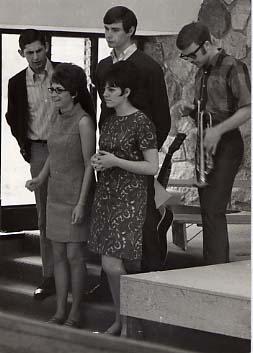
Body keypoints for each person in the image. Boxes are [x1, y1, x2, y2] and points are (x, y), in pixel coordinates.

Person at [6, 29, 95, 300]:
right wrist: (26, 148)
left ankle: (78, 274)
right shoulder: (16, 82)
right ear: (21, 53)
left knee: (76, 212)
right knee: (44, 216)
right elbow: (13, 116)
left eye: (39, 51)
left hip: (73, 145)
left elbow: (87, 109)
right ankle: (50, 276)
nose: (35, 57)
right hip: (40, 150)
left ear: (46, 48)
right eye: (28, 52)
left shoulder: (64, 76)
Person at [95, 5, 171, 274]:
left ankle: (149, 283)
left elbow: (162, 119)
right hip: (109, 156)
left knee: (145, 222)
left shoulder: (149, 67)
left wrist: (141, 152)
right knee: (109, 221)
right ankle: (111, 285)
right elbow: (105, 113)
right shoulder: (104, 65)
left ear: (131, 31)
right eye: (105, 29)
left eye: (115, 30)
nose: (109, 35)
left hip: (138, 157)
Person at [89, 61, 159, 335]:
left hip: (129, 198)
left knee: (112, 263)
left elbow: (151, 167)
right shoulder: (108, 120)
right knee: (118, 264)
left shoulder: (142, 121)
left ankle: (127, 321)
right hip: (106, 195)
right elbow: (107, 155)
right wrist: (100, 160)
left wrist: (116, 161)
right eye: (103, 88)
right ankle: (125, 321)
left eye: (111, 89)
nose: (105, 93)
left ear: (127, 91)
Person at [26, 63, 96, 327]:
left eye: (58, 90)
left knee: (74, 256)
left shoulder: (84, 122)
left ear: (74, 93)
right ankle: (59, 310)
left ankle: (76, 311)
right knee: (57, 256)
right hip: (55, 194)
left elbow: (90, 164)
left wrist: (81, 203)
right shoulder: (56, 115)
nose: (53, 94)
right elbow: (53, 154)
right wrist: (40, 178)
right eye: (51, 89)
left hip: (76, 195)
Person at [176, 22, 251, 265]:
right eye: (185, 57)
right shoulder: (202, 72)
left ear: (207, 45)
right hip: (207, 144)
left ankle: (216, 269)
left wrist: (218, 130)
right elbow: (205, 111)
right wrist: (191, 110)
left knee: (215, 211)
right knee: (207, 211)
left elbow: (248, 108)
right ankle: (211, 265)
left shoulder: (233, 66)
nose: (190, 61)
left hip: (227, 144)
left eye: (192, 55)